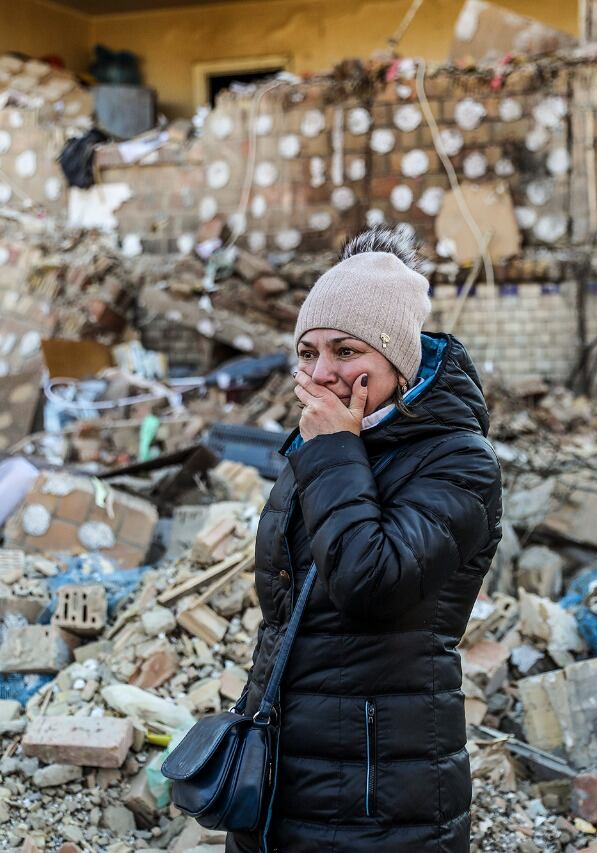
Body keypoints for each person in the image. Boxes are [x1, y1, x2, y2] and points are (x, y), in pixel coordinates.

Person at [226, 226, 503, 852]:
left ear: (397, 361)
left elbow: (370, 584)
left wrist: (333, 450)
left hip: (379, 792)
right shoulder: (327, 445)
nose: (322, 373)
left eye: (346, 351)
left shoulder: (457, 461)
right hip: (282, 766)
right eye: (307, 353)